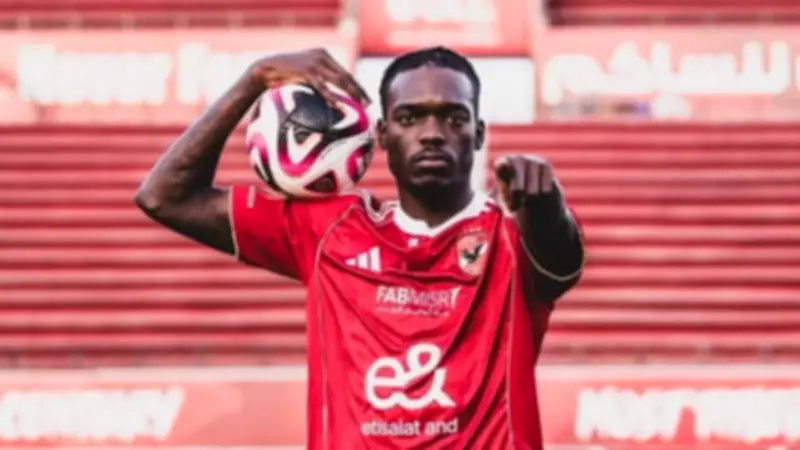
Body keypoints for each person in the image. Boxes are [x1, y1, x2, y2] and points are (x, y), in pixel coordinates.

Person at [135, 46, 584, 450]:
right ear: (381, 135)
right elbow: (165, 197)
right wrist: (253, 80)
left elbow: (561, 259)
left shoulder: (513, 234)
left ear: (479, 133)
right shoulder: (329, 229)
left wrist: (546, 206)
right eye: (409, 118)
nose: (432, 133)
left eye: (454, 117)